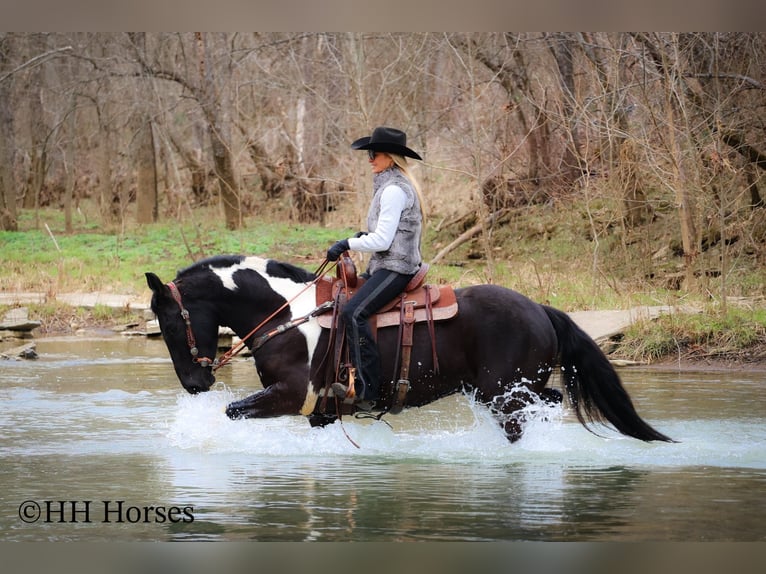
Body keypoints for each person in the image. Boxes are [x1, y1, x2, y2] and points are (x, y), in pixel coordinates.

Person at [326, 126, 426, 411]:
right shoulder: (388, 185)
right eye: (369, 153)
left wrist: (346, 242)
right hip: (385, 262)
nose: (369, 159)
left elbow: (382, 239)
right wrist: (360, 236)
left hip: (397, 267)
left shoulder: (393, 190)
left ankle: (369, 390)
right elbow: (385, 234)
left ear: (391, 158)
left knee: (354, 312)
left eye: (374, 154)